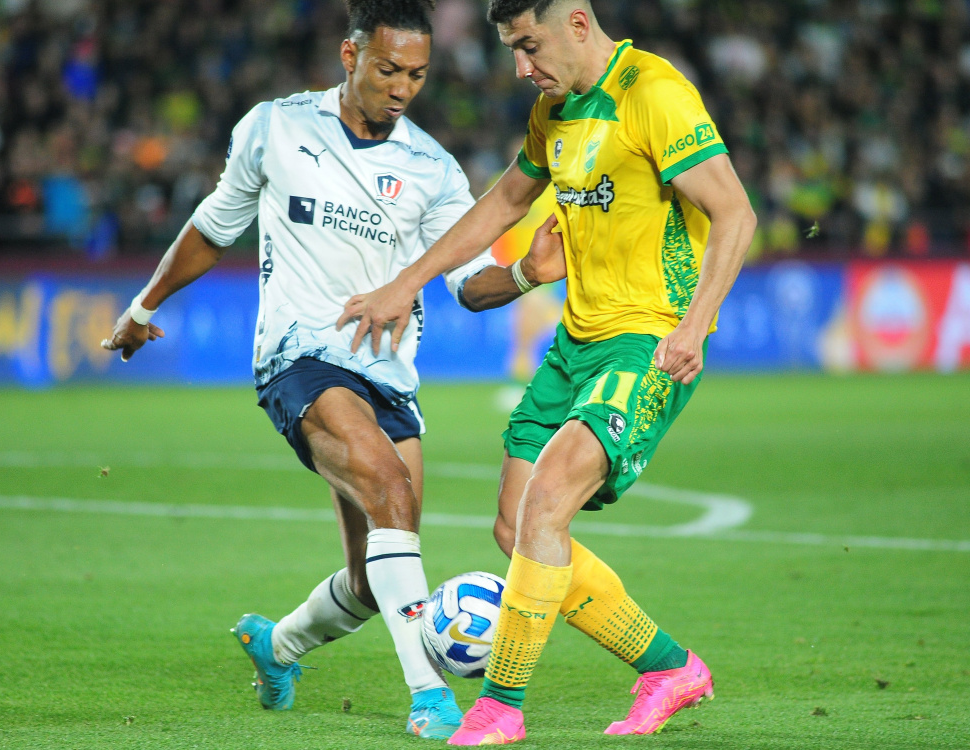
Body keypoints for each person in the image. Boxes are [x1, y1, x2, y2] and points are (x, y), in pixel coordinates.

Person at [99, 0, 565, 740]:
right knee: (388, 490)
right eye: (389, 69)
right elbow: (213, 228)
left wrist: (525, 275)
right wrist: (143, 304)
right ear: (351, 57)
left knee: (374, 579)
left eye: (417, 74)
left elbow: (469, 285)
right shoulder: (276, 127)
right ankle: (430, 698)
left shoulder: (431, 169)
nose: (403, 88)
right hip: (300, 357)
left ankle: (276, 646)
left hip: (388, 378)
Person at [337, 0, 757, 744]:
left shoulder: (652, 93)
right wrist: (408, 283)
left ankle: (499, 707)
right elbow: (504, 202)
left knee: (547, 502)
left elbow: (736, 214)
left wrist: (695, 325)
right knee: (514, 525)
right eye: (512, 49)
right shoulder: (552, 112)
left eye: (529, 46)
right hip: (574, 345)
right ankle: (670, 669)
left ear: (578, 24)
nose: (521, 67)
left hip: (648, 342)